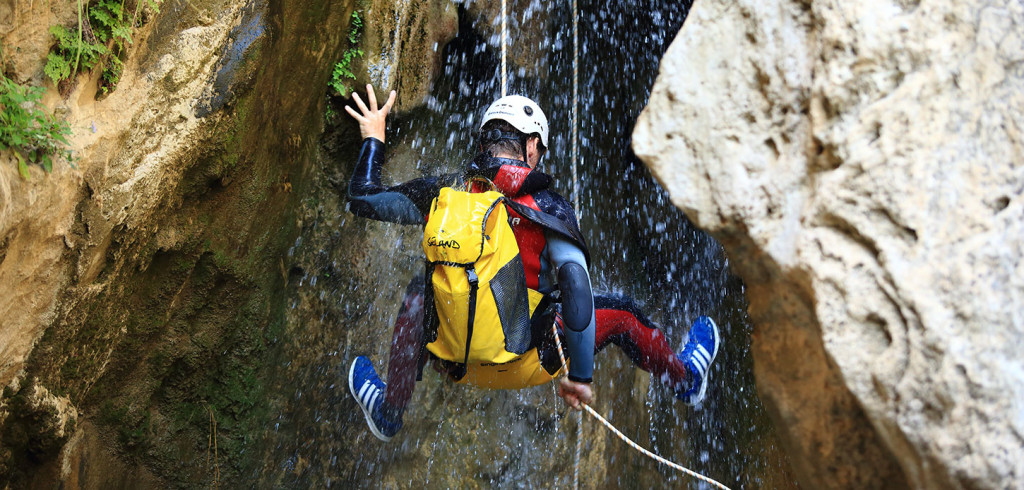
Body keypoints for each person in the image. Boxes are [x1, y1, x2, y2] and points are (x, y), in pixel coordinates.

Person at [344, 84, 722, 442]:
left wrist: (374, 136)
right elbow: (575, 284)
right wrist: (580, 376)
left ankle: (391, 410)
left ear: (482, 142)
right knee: (624, 314)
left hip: (454, 363)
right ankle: (684, 379)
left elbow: (362, 198)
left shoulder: (444, 193)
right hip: (533, 361)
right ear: (531, 145)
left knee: (418, 294)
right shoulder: (546, 204)